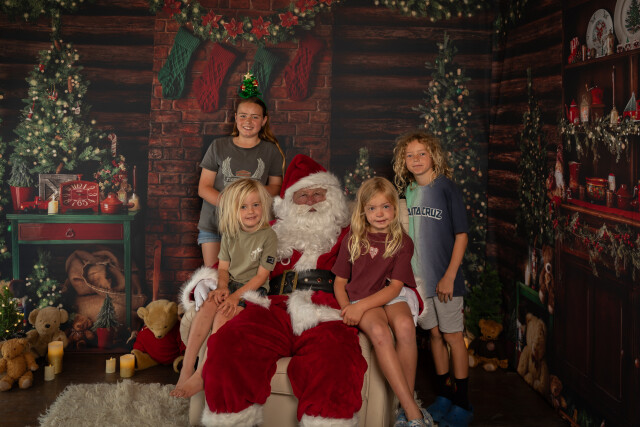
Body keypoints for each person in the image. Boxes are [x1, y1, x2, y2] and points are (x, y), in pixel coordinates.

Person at [179, 154, 368, 426]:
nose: (311, 201)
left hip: (326, 311)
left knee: (336, 357)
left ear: (333, 197)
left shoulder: (351, 234)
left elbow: (380, 265)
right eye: (303, 196)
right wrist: (207, 281)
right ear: (289, 202)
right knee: (229, 342)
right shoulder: (269, 232)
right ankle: (231, 421)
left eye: (318, 193)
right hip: (272, 308)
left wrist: (400, 293)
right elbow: (233, 261)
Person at [332, 177, 431, 427]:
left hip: (391, 293)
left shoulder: (402, 242)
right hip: (362, 296)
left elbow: (395, 287)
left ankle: (405, 406)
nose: (379, 213)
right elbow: (339, 282)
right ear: (363, 212)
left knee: (405, 326)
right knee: (379, 332)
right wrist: (348, 308)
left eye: (386, 206)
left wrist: (360, 308)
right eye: (372, 208)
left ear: (395, 209)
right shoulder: (352, 239)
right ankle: (413, 411)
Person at [393, 131, 473, 427]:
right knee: (435, 336)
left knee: (453, 337)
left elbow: (462, 235)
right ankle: (444, 396)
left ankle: (462, 403)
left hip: (445, 279)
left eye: (421, 153)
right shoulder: (408, 192)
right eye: (410, 155)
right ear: (403, 160)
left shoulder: (446, 188)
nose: (416, 159)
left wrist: (449, 276)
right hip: (419, 281)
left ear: (433, 156)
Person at [171, 178, 277, 398]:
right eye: (243, 206)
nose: (250, 211)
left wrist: (235, 297)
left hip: (252, 292)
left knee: (223, 313)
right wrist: (221, 288)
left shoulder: (268, 236)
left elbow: (261, 276)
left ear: (263, 206)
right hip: (231, 285)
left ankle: (201, 374)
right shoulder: (230, 233)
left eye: (255, 205)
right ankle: (187, 369)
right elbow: (223, 268)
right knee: (209, 304)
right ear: (234, 210)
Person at [197, 74, 285, 268]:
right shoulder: (218, 146)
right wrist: (233, 205)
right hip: (214, 224)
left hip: (252, 226)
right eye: (243, 115)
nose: (248, 121)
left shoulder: (270, 150)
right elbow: (204, 188)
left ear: (264, 120)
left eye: (255, 117)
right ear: (236, 118)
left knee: (243, 276)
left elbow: (276, 186)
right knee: (213, 276)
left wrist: (250, 199)